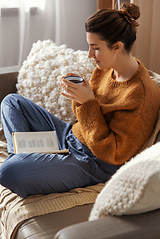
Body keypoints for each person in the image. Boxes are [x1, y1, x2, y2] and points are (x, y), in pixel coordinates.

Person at [0, 3, 160, 198]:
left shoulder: (140, 95)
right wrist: (80, 96)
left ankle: (26, 160)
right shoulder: (105, 68)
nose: (90, 55)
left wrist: (88, 103)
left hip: (92, 162)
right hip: (72, 135)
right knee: (11, 102)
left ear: (117, 47)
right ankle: (26, 157)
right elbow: (82, 117)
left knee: (8, 171)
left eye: (95, 48)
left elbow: (114, 154)